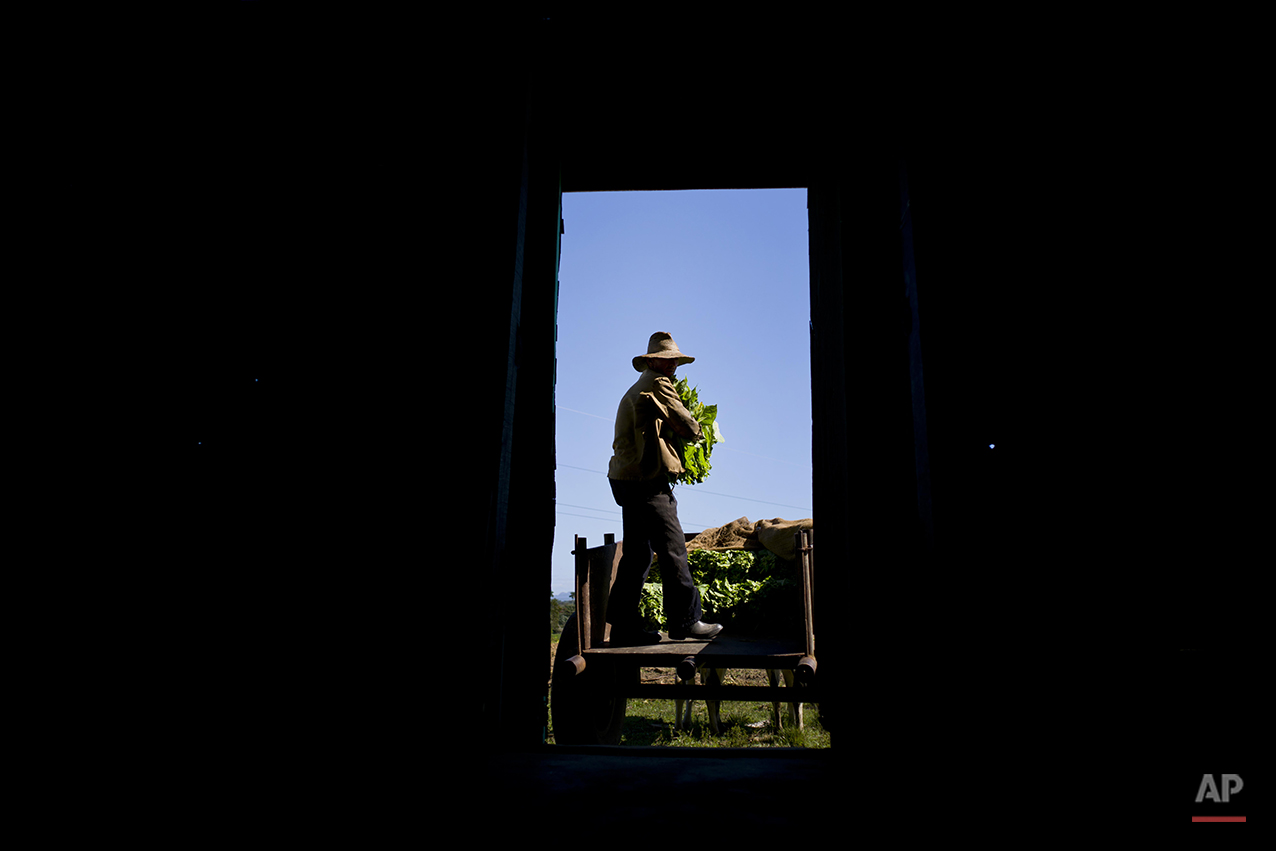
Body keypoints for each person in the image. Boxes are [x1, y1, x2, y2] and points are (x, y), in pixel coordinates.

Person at [605, 332, 724, 646]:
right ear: (653, 360)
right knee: (673, 549)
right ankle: (687, 622)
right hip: (646, 481)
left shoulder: (637, 386)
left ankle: (622, 627)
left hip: (625, 479)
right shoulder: (658, 383)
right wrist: (697, 431)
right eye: (668, 359)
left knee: (637, 555)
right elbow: (687, 425)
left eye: (675, 360)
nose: (672, 365)